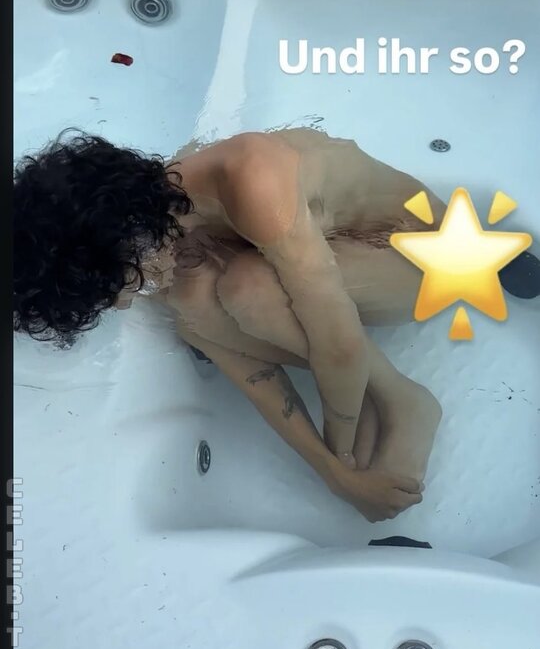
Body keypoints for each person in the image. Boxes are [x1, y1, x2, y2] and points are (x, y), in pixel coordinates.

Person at [13, 128, 538, 522]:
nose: (128, 305)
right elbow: (246, 371)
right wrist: (335, 475)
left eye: (123, 288)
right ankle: (375, 397)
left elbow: (339, 346)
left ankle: (405, 400)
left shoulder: (253, 184)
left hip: (418, 253)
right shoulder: (162, 225)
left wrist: (342, 445)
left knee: (251, 290)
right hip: (326, 267)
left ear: (132, 237)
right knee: (192, 306)